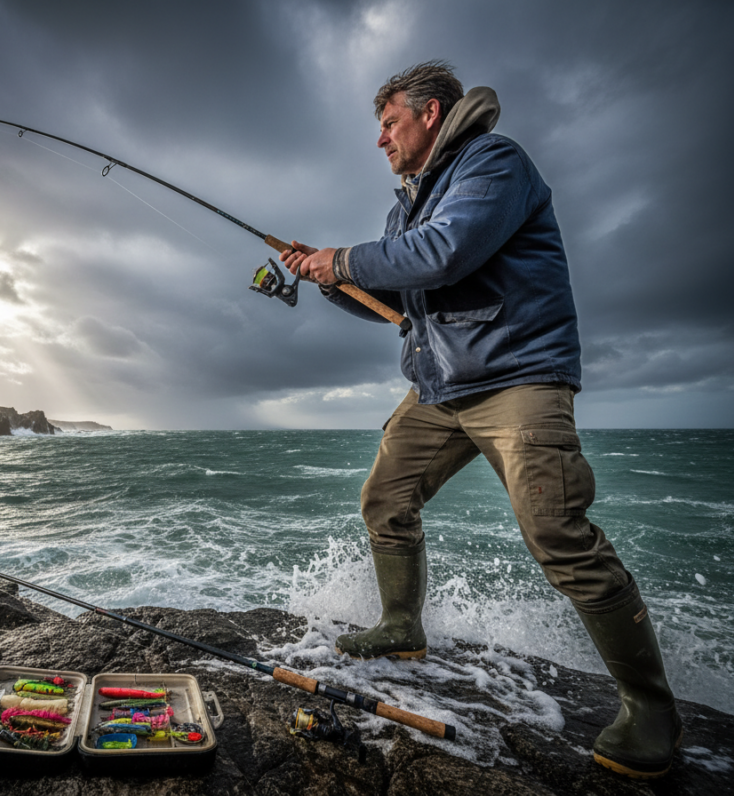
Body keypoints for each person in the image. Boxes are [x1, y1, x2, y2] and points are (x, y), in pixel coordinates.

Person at [279, 61, 681, 779]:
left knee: (558, 532)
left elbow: (444, 252)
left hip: (518, 377)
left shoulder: (492, 164)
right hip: (440, 388)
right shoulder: (407, 204)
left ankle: (651, 707)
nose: (380, 140)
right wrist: (327, 277)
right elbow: (404, 303)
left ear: (430, 114)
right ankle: (403, 626)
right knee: (385, 498)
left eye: (389, 123)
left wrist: (341, 257)